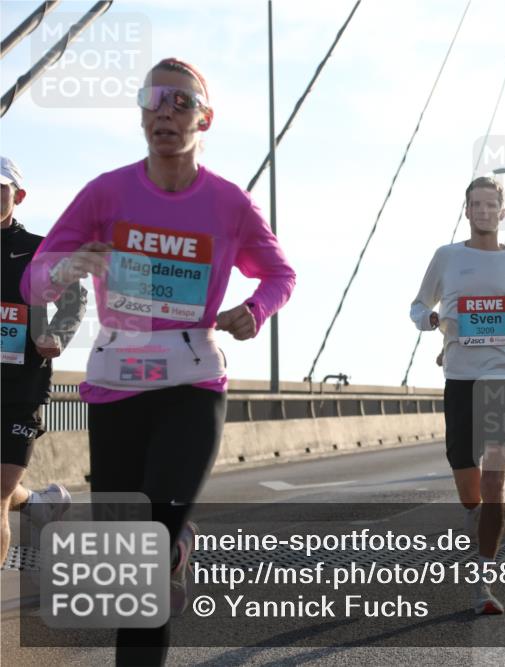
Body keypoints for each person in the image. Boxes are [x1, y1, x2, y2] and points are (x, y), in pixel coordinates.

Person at [22, 58, 296, 665]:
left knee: (149, 542)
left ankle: (170, 546)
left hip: (193, 379)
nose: (164, 112)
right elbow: (33, 281)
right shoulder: (105, 192)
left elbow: (280, 273)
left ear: (205, 118)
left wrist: (256, 308)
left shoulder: (229, 203)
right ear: (141, 112)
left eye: (179, 101)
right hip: (116, 383)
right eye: (153, 100)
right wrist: (69, 267)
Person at [410, 175, 505, 615]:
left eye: (492, 204)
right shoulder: (447, 257)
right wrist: (431, 321)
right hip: (461, 377)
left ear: (502, 212)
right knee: (467, 482)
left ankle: (482, 582)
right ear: (467, 211)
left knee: (495, 481)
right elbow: (417, 306)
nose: (485, 211)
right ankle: (474, 518)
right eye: (477, 204)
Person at [2, 156, 86, 566]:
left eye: (0, 189)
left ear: (18, 196)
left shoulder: (39, 250)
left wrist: (58, 334)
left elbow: (75, 299)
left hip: (21, 386)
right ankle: (37, 503)